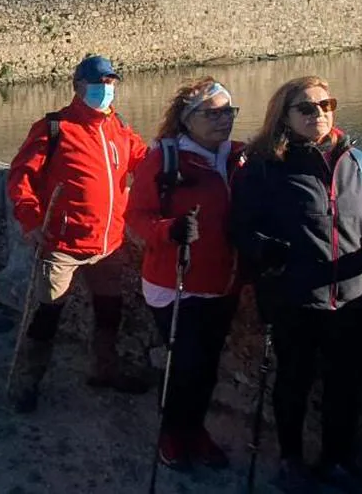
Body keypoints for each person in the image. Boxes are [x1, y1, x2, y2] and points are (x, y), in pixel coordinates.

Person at [231, 76, 362, 493]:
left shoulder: (355, 160)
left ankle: (335, 460)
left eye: (326, 103)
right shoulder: (264, 167)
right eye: (307, 108)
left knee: (344, 386)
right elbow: (241, 228)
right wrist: (264, 250)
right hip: (294, 297)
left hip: (353, 297)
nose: (319, 113)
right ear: (284, 116)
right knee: (293, 381)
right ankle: (291, 460)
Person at [5, 55, 149, 412]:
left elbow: (145, 162)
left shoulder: (120, 128)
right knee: (46, 315)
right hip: (62, 244)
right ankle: (27, 382)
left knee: (110, 311)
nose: (106, 89)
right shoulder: (55, 127)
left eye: (111, 82)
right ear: (78, 86)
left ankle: (104, 369)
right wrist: (31, 221)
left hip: (109, 244)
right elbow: (21, 177)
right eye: (98, 83)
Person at [125, 79, 243, 471]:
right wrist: (170, 230)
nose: (223, 120)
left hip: (222, 282)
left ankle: (196, 430)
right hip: (174, 282)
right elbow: (136, 218)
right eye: (213, 113)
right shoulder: (164, 159)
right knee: (185, 364)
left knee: (207, 365)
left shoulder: (237, 157)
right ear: (187, 119)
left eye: (228, 111)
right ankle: (173, 434)